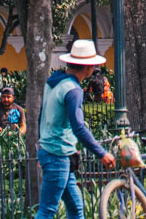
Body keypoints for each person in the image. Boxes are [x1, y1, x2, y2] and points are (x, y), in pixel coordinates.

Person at [35, 40, 115, 219]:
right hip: (58, 155)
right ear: (88, 67)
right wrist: (102, 153)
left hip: (54, 153)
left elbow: (42, 116)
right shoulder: (74, 90)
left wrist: (42, 146)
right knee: (47, 210)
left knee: (76, 208)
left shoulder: (53, 82)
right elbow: (79, 127)